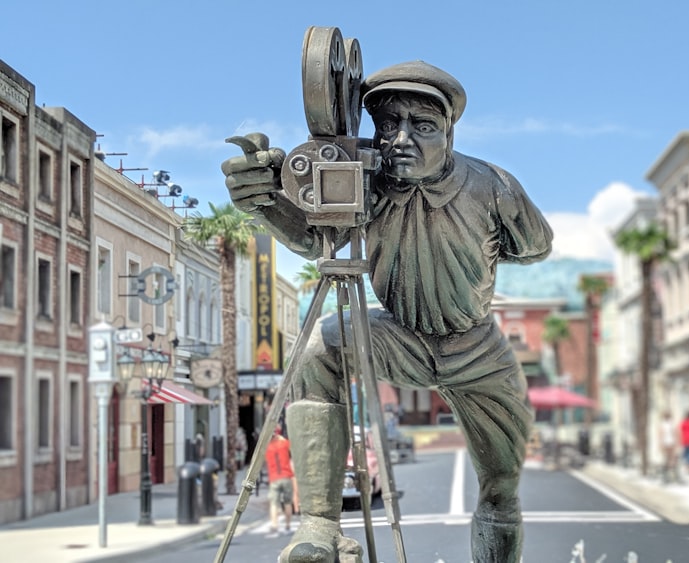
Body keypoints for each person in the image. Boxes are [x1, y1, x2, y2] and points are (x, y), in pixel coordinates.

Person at [222, 60, 553, 563]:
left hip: (478, 349)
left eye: (422, 127)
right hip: (402, 338)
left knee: (501, 490)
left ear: (450, 132)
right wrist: (265, 201)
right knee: (317, 347)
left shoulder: (493, 186)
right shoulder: (366, 182)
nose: (400, 138)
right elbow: (314, 240)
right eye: (388, 124)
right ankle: (319, 527)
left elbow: (534, 246)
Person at [265, 426, 297, 535]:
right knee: (287, 503)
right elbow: (292, 450)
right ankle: (288, 525)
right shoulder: (284, 444)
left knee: (274, 503)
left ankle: (274, 524)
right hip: (286, 476)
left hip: (274, 478)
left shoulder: (268, 447)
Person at [658, 411, 679, 483]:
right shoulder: (671, 424)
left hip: (667, 444)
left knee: (668, 459)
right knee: (670, 460)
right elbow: (675, 434)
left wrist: (660, 444)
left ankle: (668, 475)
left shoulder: (664, 425)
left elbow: (660, 435)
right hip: (670, 443)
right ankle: (669, 475)